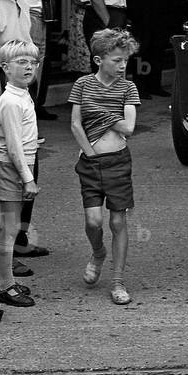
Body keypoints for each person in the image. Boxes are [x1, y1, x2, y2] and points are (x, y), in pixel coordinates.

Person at [68, 29, 142, 305]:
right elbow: (75, 124)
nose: (123, 66)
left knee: (117, 220)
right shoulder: (82, 84)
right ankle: (98, 252)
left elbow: (129, 127)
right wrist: (89, 153)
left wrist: (99, 113)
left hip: (118, 162)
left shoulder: (128, 88)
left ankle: (117, 281)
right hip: (90, 161)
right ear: (99, 60)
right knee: (93, 221)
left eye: (125, 60)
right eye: (116, 60)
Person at [0, 40, 41, 309]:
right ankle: (5, 285)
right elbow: (12, 146)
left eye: (32, 62)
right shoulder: (11, 100)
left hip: (20, 166)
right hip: (12, 168)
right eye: (21, 62)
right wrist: (28, 178)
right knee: (9, 228)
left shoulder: (21, 95)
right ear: (5, 67)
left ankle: (4, 280)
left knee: (8, 227)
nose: (29, 68)